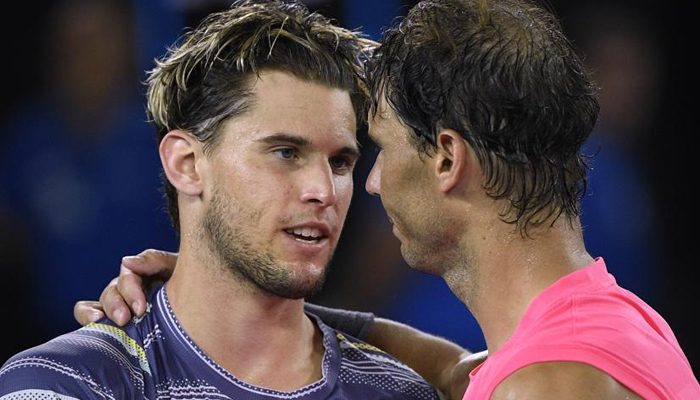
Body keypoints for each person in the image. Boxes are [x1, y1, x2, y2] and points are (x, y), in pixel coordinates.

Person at [79, 0, 700, 399]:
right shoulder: (605, 329)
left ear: (447, 159)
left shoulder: (553, 386)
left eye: (376, 150)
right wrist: (226, 288)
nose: (371, 184)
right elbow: (458, 372)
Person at [0, 1, 482, 399]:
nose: (323, 190)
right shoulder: (66, 383)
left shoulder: (401, 389)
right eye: (285, 152)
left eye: (340, 162)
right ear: (187, 164)